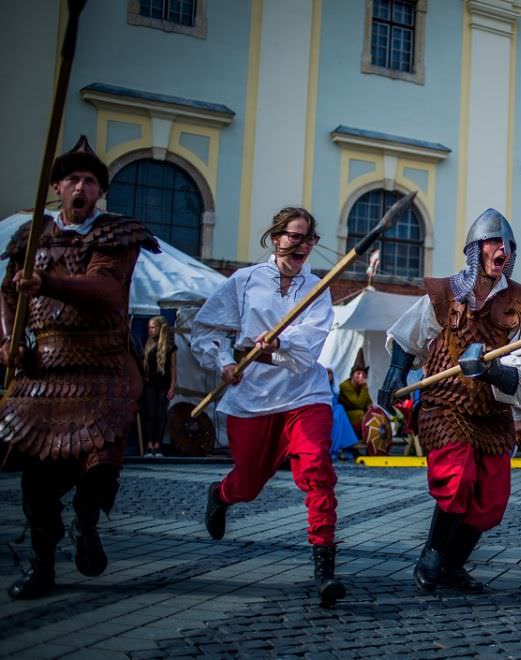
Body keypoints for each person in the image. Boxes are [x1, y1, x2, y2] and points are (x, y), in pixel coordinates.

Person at [0, 136, 158, 599]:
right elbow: (6, 292)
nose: (81, 187)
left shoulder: (116, 234)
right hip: (44, 371)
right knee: (37, 481)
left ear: (99, 192)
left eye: (90, 181)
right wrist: (8, 341)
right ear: (56, 186)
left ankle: (88, 524)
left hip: (103, 368)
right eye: (73, 179)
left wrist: (46, 281)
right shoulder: (29, 239)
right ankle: (42, 566)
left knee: (100, 465)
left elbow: (104, 290)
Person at [190, 206, 345, 608]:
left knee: (316, 471)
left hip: (304, 395)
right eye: (294, 236)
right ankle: (221, 495)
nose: (302, 245)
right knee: (248, 483)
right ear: (276, 238)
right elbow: (206, 330)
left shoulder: (317, 287)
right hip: (253, 400)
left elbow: (309, 345)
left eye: (309, 239)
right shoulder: (244, 281)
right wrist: (223, 361)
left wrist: (280, 345)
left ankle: (325, 570)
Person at [380, 208, 521, 594]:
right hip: (445, 404)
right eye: (492, 242)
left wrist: (491, 370)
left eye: (506, 245)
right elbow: (408, 336)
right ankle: (433, 554)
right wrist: (396, 372)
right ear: (475, 249)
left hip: (492, 411)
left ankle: (453, 566)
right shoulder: (447, 293)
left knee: (492, 501)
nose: (500, 249)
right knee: (458, 479)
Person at [140, 315, 177, 457]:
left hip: (164, 384)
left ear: (160, 328)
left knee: (160, 415)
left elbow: (173, 367)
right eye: (149, 327)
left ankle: (158, 445)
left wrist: (172, 386)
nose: (150, 330)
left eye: (153, 327)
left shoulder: (170, 347)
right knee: (149, 414)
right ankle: (149, 446)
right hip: (150, 384)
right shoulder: (148, 344)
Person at [339, 349, 371, 446]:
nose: (361, 376)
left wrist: (370, 408)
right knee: (360, 414)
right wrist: (365, 388)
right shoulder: (345, 386)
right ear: (352, 375)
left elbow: (368, 402)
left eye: (363, 374)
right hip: (345, 416)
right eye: (358, 374)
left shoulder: (361, 387)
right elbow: (358, 403)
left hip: (357, 414)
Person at [326, 368, 359, 461]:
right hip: (324, 411)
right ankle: (348, 445)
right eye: (327, 373)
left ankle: (339, 449)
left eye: (330, 373)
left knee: (339, 415)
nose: (328, 376)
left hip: (335, 412)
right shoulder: (319, 387)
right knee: (339, 413)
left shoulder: (335, 388)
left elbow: (358, 402)